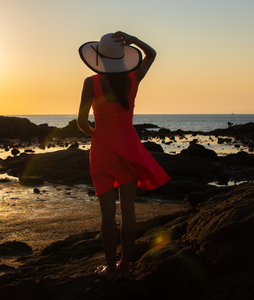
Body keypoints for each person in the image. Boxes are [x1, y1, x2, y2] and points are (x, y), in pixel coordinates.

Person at [77, 31, 170, 281]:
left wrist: (99, 134)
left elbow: (82, 123)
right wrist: (133, 39)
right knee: (128, 211)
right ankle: (125, 269)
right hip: (129, 148)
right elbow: (152, 54)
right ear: (122, 56)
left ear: (98, 56)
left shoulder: (91, 82)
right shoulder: (134, 78)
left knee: (107, 215)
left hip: (102, 150)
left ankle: (109, 270)